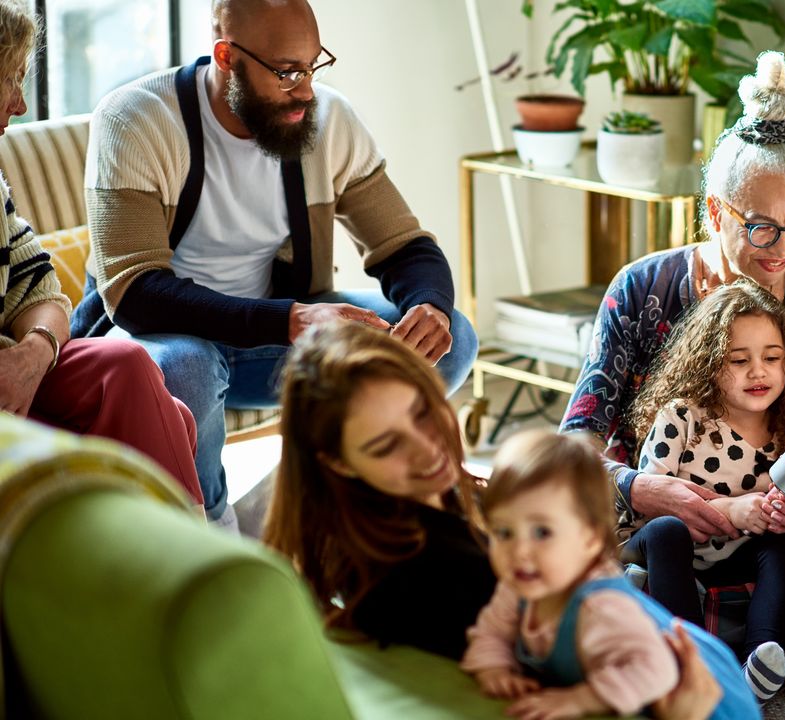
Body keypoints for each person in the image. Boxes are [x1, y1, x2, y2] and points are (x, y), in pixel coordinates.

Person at [70, 0, 478, 530]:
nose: (305, 90)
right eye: (287, 72)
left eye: (313, 65)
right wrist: (289, 320)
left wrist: (430, 307)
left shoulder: (326, 119)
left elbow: (404, 246)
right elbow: (135, 292)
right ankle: (214, 537)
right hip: (158, 340)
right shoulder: (136, 119)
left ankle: (295, 508)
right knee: (187, 366)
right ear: (226, 57)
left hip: (275, 338)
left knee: (454, 341)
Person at [560, 50, 785, 691]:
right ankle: (781, 655)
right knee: (570, 558)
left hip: (758, 535)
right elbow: (574, 443)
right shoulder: (644, 288)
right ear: (717, 211)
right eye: (760, 229)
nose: (781, 251)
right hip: (648, 526)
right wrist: (637, 489)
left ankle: (708, 642)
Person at [263, 322, 721, 719]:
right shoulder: (430, 574)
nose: (427, 448)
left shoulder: (431, 509)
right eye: (386, 446)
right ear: (338, 463)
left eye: (423, 411)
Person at [0, 0, 201, 507]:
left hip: (17, 366)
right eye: (10, 78)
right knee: (166, 419)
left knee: (127, 363)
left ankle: (188, 555)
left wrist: (34, 352)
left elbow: (40, 286)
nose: (20, 104)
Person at [624, 280, 785, 702]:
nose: (758, 371)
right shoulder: (682, 417)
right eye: (738, 360)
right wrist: (729, 510)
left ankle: (761, 655)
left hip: (739, 559)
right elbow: (651, 502)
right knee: (667, 531)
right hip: (672, 552)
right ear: (707, 362)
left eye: (773, 358)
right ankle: (691, 662)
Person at [461, 429, 759, 720]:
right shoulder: (521, 584)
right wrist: (494, 667)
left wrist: (581, 699)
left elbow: (656, 668)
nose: (520, 551)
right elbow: (493, 630)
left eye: (542, 532)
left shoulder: (600, 607)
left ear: (589, 539)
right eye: (504, 532)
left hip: (710, 698)